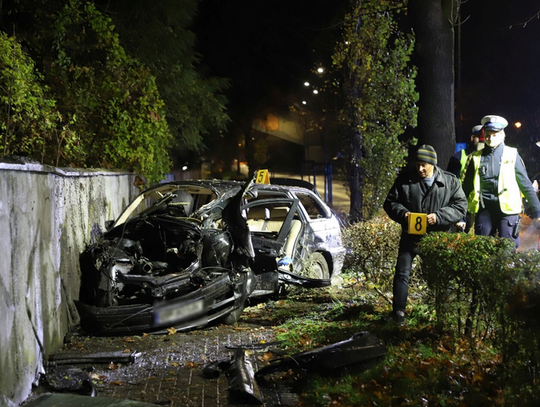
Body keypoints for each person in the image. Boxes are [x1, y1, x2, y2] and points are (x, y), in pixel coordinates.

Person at [384, 145, 468, 324]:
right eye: (418, 164)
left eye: (424, 165)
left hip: (438, 237)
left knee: (441, 276)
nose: (420, 169)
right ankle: (398, 313)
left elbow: (461, 206)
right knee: (402, 273)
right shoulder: (405, 180)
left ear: (433, 164)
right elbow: (390, 203)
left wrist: (438, 217)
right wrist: (404, 214)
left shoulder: (450, 181)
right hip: (410, 235)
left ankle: (442, 315)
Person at [462, 115, 540, 248]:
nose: (490, 138)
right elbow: (466, 188)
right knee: (482, 249)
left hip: (508, 211)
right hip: (484, 209)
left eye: (494, 135)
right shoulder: (475, 157)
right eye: (487, 135)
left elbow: (525, 183)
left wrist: (537, 209)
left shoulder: (512, 154)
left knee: (507, 249)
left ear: (502, 135)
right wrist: (461, 215)